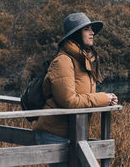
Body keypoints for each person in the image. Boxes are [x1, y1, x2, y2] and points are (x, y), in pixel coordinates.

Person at [33, 12, 118, 166]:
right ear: (76, 34)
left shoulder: (83, 61)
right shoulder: (63, 61)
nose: (92, 32)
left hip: (74, 134)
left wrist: (107, 99)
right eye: (87, 29)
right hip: (54, 134)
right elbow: (69, 101)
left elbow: (83, 96)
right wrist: (102, 98)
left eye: (91, 29)